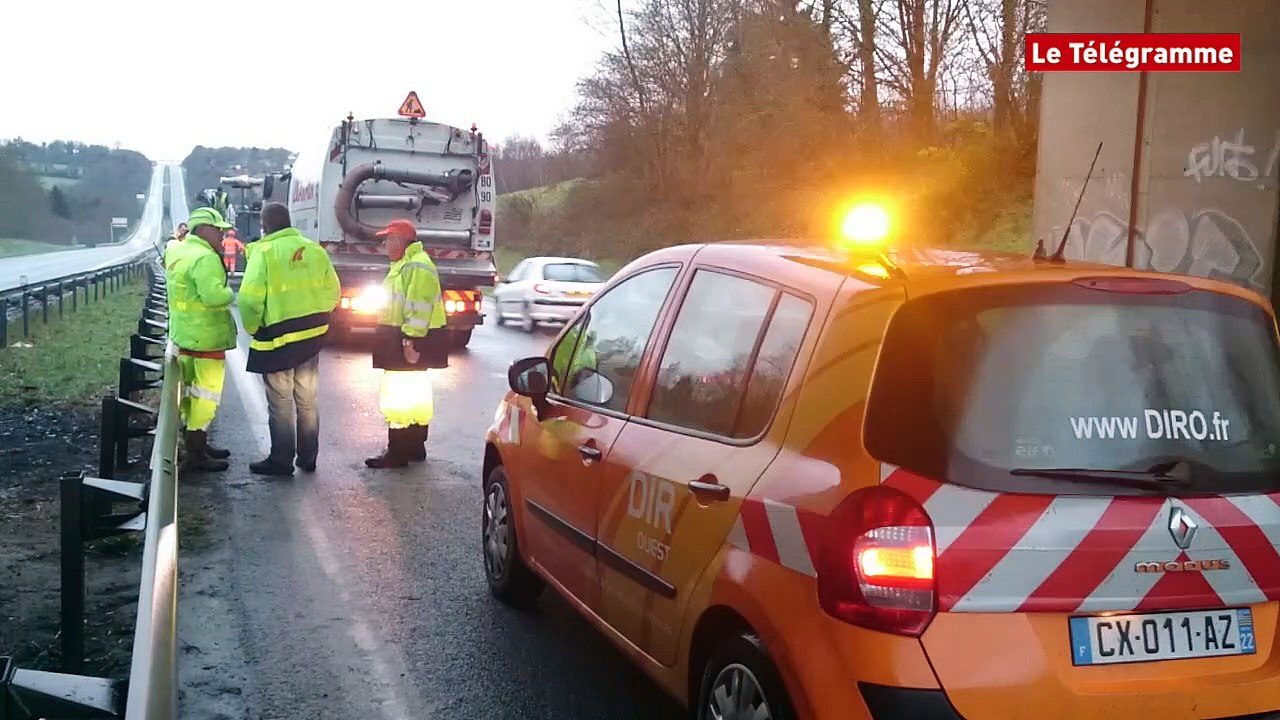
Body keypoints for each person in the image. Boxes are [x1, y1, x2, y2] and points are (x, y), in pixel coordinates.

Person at [237, 202, 341, 476]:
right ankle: (308, 457)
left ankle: (281, 460)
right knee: (307, 399)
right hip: (311, 338)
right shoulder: (314, 250)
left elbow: (248, 299)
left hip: (278, 339)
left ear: (265, 225)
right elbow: (334, 292)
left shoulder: (265, 252)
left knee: (281, 401)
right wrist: (317, 317)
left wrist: (254, 327)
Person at [366, 219, 447, 468]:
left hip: (408, 338)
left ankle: (398, 451)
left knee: (397, 396)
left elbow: (418, 306)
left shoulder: (415, 265)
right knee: (416, 394)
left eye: (389, 240)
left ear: (402, 241)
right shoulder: (408, 264)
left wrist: (410, 340)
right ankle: (414, 445)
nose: (386, 245)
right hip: (405, 336)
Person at [170, 207, 238, 472]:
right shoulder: (205, 258)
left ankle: (195, 440)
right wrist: (229, 292)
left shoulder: (179, 251)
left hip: (184, 336)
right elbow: (214, 297)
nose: (222, 234)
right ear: (203, 230)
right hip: (207, 338)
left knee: (189, 393)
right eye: (218, 229)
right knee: (206, 396)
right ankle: (196, 451)